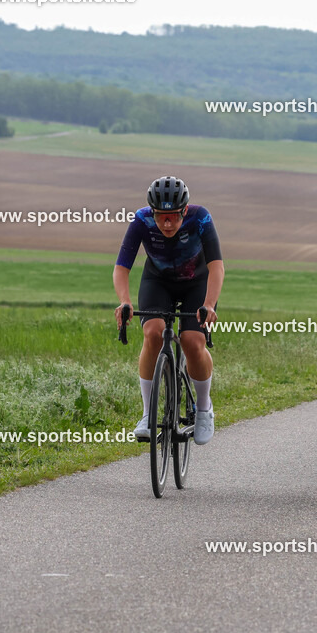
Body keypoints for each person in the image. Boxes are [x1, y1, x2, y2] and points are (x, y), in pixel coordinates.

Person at [114, 176, 224, 445]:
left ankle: (203, 408)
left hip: (196, 285)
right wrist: (125, 301)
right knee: (152, 332)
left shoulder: (200, 218)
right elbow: (122, 267)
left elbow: (216, 267)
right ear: (153, 212)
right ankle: (147, 415)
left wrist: (209, 304)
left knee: (192, 340)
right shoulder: (141, 220)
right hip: (158, 282)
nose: (166, 223)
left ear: (183, 211)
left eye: (173, 217)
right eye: (161, 216)